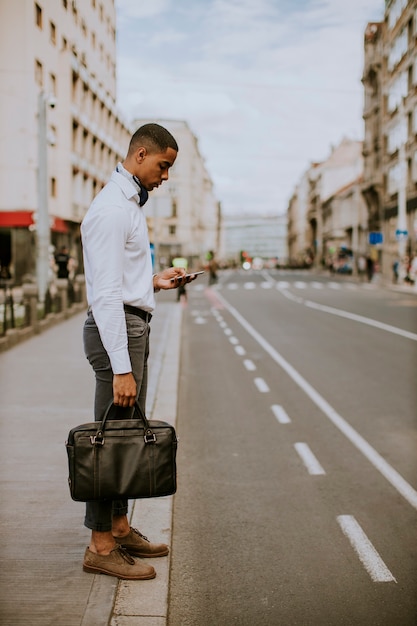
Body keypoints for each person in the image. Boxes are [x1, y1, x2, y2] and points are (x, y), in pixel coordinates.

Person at [80, 123, 195, 580]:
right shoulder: (111, 209)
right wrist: (121, 367)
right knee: (109, 443)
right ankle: (100, 545)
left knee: (123, 439)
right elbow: (105, 296)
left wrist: (153, 283)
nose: (165, 176)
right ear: (141, 155)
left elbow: (120, 284)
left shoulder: (127, 204)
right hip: (117, 336)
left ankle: (121, 527)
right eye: (163, 166)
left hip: (129, 327)